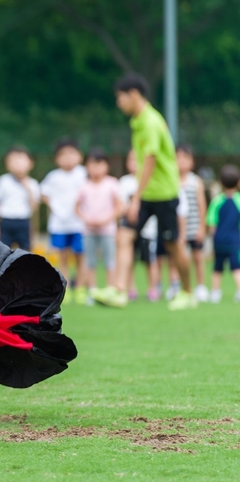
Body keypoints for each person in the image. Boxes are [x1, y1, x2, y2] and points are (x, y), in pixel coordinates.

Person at [92, 73, 195, 310]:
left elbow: (149, 160)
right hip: (147, 193)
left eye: (121, 98)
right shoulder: (138, 121)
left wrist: (135, 198)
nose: (119, 103)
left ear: (134, 95)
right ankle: (119, 291)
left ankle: (188, 293)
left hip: (164, 194)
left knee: (172, 245)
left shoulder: (150, 121)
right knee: (125, 236)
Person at [40, 138, 87, 303]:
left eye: (72, 154)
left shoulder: (84, 173)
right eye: (63, 155)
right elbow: (43, 193)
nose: (68, 158)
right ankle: (65, 289)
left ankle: (80, 288)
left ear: (79, 156)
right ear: (57, 159)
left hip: (80, 223)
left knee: (81, 256)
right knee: (63, 257)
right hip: (59, 224)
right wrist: (55, 207)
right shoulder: (53, 176)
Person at [75, 148, 123, 302]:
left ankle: (111, 289)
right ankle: (92, 290)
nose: (96, 168)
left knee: (110, 260)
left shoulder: (112, 183)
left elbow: (120, 206)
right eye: (92, 164)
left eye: (99, 164)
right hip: (89, 230)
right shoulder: (84, 185)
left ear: (106, 166)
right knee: (90, 261)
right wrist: (86, 219)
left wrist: (107, 219)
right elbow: (76, 207)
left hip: (107, 230)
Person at [118, 150, 161, 301]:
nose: (134, 163)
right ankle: (130, 288)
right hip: (130, 228)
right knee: (129, 260)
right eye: (131, 160)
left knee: (150, 260)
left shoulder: (151, 180)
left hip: (148, 230)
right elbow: (121, 203)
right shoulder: (124, 182)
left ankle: (153, 288)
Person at [0, 145, 39, 251]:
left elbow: (34, 207)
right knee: (2, 251)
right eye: (13, 160)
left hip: (23, 222)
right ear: (7, 164)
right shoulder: (3, 181)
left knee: (26, 252)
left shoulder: (33, 184)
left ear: (30, 163)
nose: (17, 164)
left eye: (21, 160)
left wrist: (28, 190)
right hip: (6, 222)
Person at [175, 144, 209, 301]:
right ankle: (175, 285)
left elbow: (202, 206)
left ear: (192, 161)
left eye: (185, 158)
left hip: (194, 227)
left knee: (197, 257)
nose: (181, 161)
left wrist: (202, 227)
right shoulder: (171, 181)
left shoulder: (196, 181)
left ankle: (200, 286)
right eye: (177, 157)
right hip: (177, 228)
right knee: (177, 257)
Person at [206, 164, 240, 303]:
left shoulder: (217, 201)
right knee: (236, 267)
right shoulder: (238, 200)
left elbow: (211, 223)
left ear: (220, 182)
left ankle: (215, 293)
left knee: (217, 268)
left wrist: (212, 236)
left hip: (219, 241)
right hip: (234, 241)